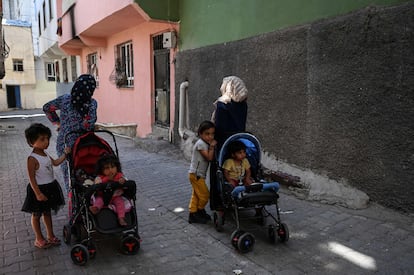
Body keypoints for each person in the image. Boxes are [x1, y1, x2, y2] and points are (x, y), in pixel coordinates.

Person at [43, 74, 97, 193]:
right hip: (85, 145)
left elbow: (47, 107)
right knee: (87, 173)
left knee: (69, 175)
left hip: (65, 144)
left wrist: (58, 123)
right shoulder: (92, 103)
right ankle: (89, 199)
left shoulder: (65, 99)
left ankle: (73, 203)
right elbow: (88, 125)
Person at [22, 123, 69, 249]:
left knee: (47, 213)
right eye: (42, 139)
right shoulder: (32, 159)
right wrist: (37, 193)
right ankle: (39, 238)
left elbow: (55, 163)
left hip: (50, 188)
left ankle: (50, 235)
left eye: (47, 138)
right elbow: (31, 178)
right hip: (38, 190)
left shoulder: (45, 154)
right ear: (32, 142)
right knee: (36, 215)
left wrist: (65, 155)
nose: (46, 142)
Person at [188, 120, 217, 224]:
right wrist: (212, 146)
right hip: (196, 175)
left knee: (196, 195)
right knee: (204, 195)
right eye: (207, 134)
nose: (210, 137)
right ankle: (199, 211)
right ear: (200, 134)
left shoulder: (204, 143)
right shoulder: (201, 144)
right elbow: (209, 157)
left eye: (212, 134)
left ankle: (193, 213)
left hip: (197, 175)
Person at [89, 154, 128, 227]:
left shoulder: (119, 175)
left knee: (120, 202)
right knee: (99, 201)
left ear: (117, 167)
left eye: (113, 167)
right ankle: (96, 208)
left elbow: (125, 180)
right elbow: (97, 184)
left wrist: (122, 181)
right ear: (102, 170)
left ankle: (121, 218)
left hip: (115, 196)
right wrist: (107, 179)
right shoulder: (100, 177)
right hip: (102, 196)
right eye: (107, 168)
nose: (111, 170)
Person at [211, 76, 248, 150]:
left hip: (224, 142)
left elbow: (219, 127)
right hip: (239, 140)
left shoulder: (223, 104)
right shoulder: (243, 105)